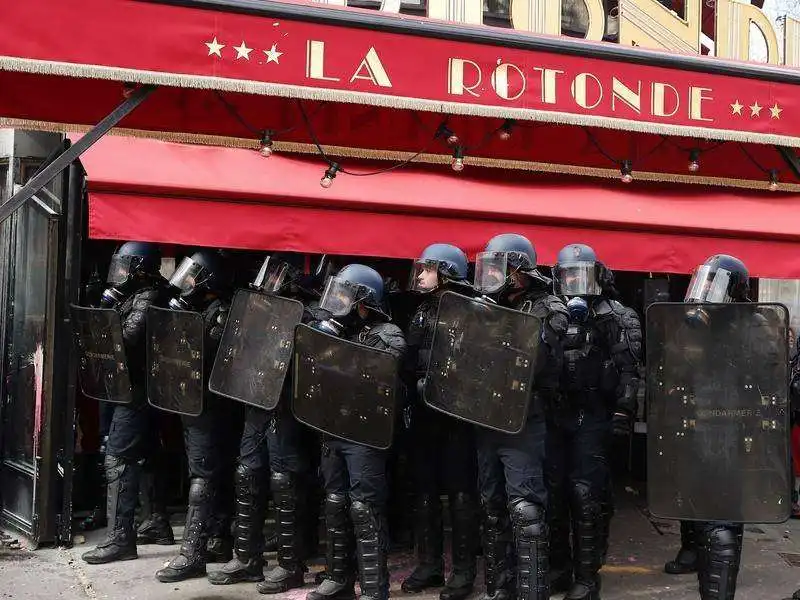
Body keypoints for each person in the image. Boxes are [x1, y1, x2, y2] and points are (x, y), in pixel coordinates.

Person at [658, 254, 782, 600]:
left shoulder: (755, 326)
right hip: (695, 429)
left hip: (732, 433)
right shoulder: (692, 325)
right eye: (705, 282)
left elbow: (767, 381)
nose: (708, 291)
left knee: (722, 524)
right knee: (700, 516)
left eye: (717, 284)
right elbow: (674, 370)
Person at [208, 254, 322, 593]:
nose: (268, 282)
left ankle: (290, 564)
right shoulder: (261, 308)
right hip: (255, 399)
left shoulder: (310, 314)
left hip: (285, 406)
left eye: (276, 276)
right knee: (247, 473)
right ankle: (247, 557)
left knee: (284, 481)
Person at [472, 233, 568, 600]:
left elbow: (538, 361)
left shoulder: (548, 307)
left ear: (518, 271)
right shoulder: (481, 306)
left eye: (502, 268)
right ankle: (501, 589)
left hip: (524, 419)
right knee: (492, 506)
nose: (493, 275)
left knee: (525, 512)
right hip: (486, 417)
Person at [305, 264, 407, 600]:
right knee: (335, 503)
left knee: (364, 508)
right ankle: (339, 579)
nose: (338, 300)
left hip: (365, 434)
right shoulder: (331, 329)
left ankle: (375, 588)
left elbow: (382, 376)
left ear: (363, 298)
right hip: (333, 428)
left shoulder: (387, 333)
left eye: (345, 294)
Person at [547, 244, 642, 600]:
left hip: (594, 413)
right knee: (553, 492)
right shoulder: (550, 312)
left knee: (586, 494)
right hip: (557, 412)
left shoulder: (617, 316)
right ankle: (559, 567)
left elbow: (631, 371)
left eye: (580, 275)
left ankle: (587, 578)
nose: (574, 283)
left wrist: (623, 412)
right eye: (567, 276)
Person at [81, 241, 175, 564]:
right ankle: (157, 521)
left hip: (137, 390)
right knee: (146, 453)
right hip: (132, 387)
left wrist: (107, 312)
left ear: (140, 269)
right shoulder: (134, 294)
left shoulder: (148, 297)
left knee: (118, 458)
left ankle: (121, 538)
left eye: (125, 266)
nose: (118, 273)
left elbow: (126, 340)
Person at [401, 244, 479, 600]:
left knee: (461, 492)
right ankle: (429, 565)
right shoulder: (421, 311)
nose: (419, 275)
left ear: (446, 271)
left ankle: (463, 573)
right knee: (425, 491)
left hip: (456, 415)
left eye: (426, 269)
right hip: (423, 414)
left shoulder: (470, 312)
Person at [155, 249, 237, 583]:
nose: (185, 280)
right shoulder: (200, 308)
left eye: (192, 274)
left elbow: (209, 355)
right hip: (194, 404)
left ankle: (193, 553)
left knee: (203, 478)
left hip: (210, 407)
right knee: (212, 473)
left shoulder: (221, 314)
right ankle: (218, 539)